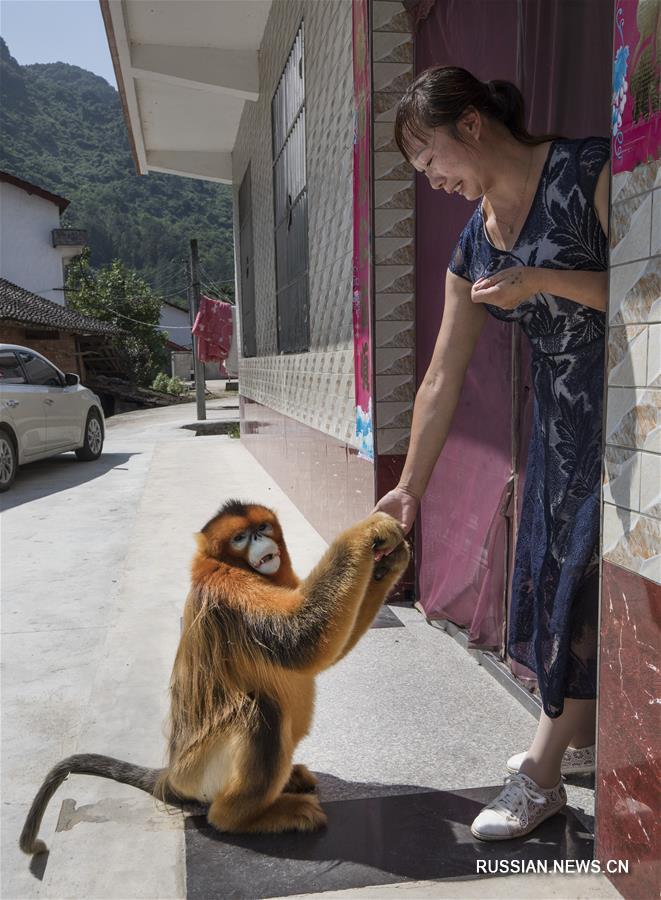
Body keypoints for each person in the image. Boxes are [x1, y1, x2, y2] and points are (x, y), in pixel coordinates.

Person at [373, 66, 609, 841]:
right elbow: (441, 372)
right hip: (557, 427)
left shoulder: (587, 171)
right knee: (551, 578)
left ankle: (541, 775)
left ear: (470, 124)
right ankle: (579, 739)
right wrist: (409, 487)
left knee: (579, 584)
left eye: (430, 158)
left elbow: (646, 290)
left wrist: (539, 278)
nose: (432, 179)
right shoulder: (475, 239)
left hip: (631, 414)